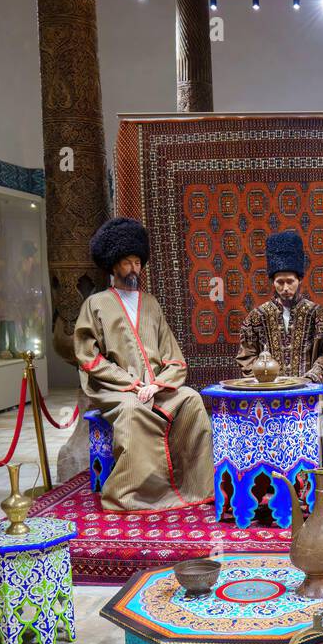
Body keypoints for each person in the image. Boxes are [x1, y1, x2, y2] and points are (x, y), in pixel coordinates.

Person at [73, 217, 213, 512]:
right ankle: (135, 494)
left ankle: (195, 486)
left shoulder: (150, 303)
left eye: (138, 262)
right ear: (113, 265)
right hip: (116, 389)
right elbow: (88, 357)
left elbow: (173, 356)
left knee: (190, 399)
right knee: (134, 410)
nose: (134, 269)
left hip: (155, 387)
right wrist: (132, 385)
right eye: (127, 263)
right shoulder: (96, 303)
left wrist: (157, 384)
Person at [236, 230, 323, 383]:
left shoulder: (318, 315)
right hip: (268, 394)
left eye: (290, 281)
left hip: (307, 393)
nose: (285, 288)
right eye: (280, 282)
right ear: (273, 282)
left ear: (299, 280)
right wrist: (263, 378)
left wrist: (312, 377)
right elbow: (246, 356)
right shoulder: (256, 317)